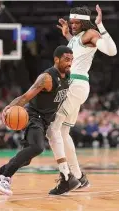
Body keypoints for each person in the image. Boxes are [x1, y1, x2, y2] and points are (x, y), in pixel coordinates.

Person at [0, 45, 81, 195]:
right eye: (66, 59)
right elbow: (26, 96)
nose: (69, 63)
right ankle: (3, 178)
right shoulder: (47, 78)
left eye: (71, 59)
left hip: (45, 121)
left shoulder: (68, 76)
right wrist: (9, 107)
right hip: (34, 117)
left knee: (27, 158)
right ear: (56, 60)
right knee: (37, 147)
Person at [47, 5, 117, 195]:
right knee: (62, 131)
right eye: (72, 22)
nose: (74, 25)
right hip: (75, 86)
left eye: (77, 22)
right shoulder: (77, 38)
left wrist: (101, 26)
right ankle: (79, 178)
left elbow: (111, 51)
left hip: (75, 84)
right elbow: (77, 50)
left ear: (85, 22)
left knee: (52, 130)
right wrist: (68, 36)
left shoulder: (91, 33)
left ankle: (67, 178)